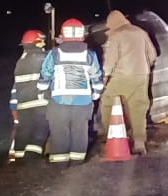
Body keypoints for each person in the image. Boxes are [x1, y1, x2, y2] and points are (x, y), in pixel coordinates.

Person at [40, 18, 104, 164]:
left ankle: (60, 165)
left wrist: (42, 92)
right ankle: (77, 164)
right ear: (83, 35)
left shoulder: (54, 54)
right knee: (80, 131)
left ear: (63, 35)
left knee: (59, 132)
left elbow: (45, 74)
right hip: (83, 102)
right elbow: (96, 76)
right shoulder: (90, 55)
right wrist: (95, 94)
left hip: (58, 101)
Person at [99, 9, 158, 155]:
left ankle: (111, 138)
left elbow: (110, 61)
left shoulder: (115, 36)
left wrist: (105, 78)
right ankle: (139, 143)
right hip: (141, 76)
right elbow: (153, 55)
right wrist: (144, 68)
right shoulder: (140, 32)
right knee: (138, 108)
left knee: (107, 103)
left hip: (121, 76)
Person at [9, 29, 51, 162]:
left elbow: (15, 87)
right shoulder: (45, 58)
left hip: (23, 105)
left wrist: (13, 105)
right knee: (39, 132)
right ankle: (32, 162)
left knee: (23, 133)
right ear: (38, 43)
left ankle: (18, 160)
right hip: (41, 103)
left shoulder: (20, 62)